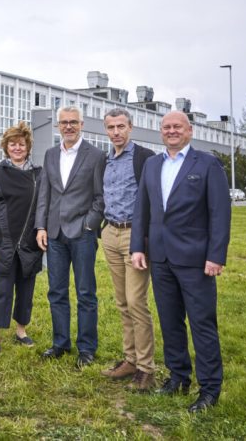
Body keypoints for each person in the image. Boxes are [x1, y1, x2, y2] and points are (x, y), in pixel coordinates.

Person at [131, 111, 231, 413]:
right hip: (160, 257)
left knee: (202, 323)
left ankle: (209, 389)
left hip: (195, 259)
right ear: (161, 131)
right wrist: (138, 248)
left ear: (190, 131)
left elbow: (220, 213)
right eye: (166, 127)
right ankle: (178, 377)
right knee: (170, 321)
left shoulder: (208, 164)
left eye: (177, 126)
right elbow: (142, 209)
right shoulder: (152, 165)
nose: (171, 131)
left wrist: (216, 255)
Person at [36, 105, 107, 369]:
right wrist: (40, 227)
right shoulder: (51, 154)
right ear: (58, 125)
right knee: (56, 291)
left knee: (86, 292)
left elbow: (100, 197)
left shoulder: (96, 155)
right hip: (54, 233)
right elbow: (44, 193)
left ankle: (86, 348)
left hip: (82, 234)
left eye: (73, 122)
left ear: (81, 124)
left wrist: (89, 225)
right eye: (64, 122)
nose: (68, 126)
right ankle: (60, 343)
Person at [99, 108, 156, 391]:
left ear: (130, 128)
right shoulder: (106, 159)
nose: (116, 132)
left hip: (135, 235)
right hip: (110, 233)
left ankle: (146, 368)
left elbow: (154, 199)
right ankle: (130, 360)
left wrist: (144, 239)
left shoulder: (145, 158)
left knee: (136, 302)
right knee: (122, 302)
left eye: (121, 126)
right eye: (111, 127)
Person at [0, 122, 43, 353]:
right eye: (12, 144)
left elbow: (44, 206)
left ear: (28, 147)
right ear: (6, 147)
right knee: (1, 290)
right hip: (3, 241)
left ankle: (21, 331)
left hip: (30, 242)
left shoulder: (38, 175)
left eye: (21, 144)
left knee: (26, 291)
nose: (17, 148)